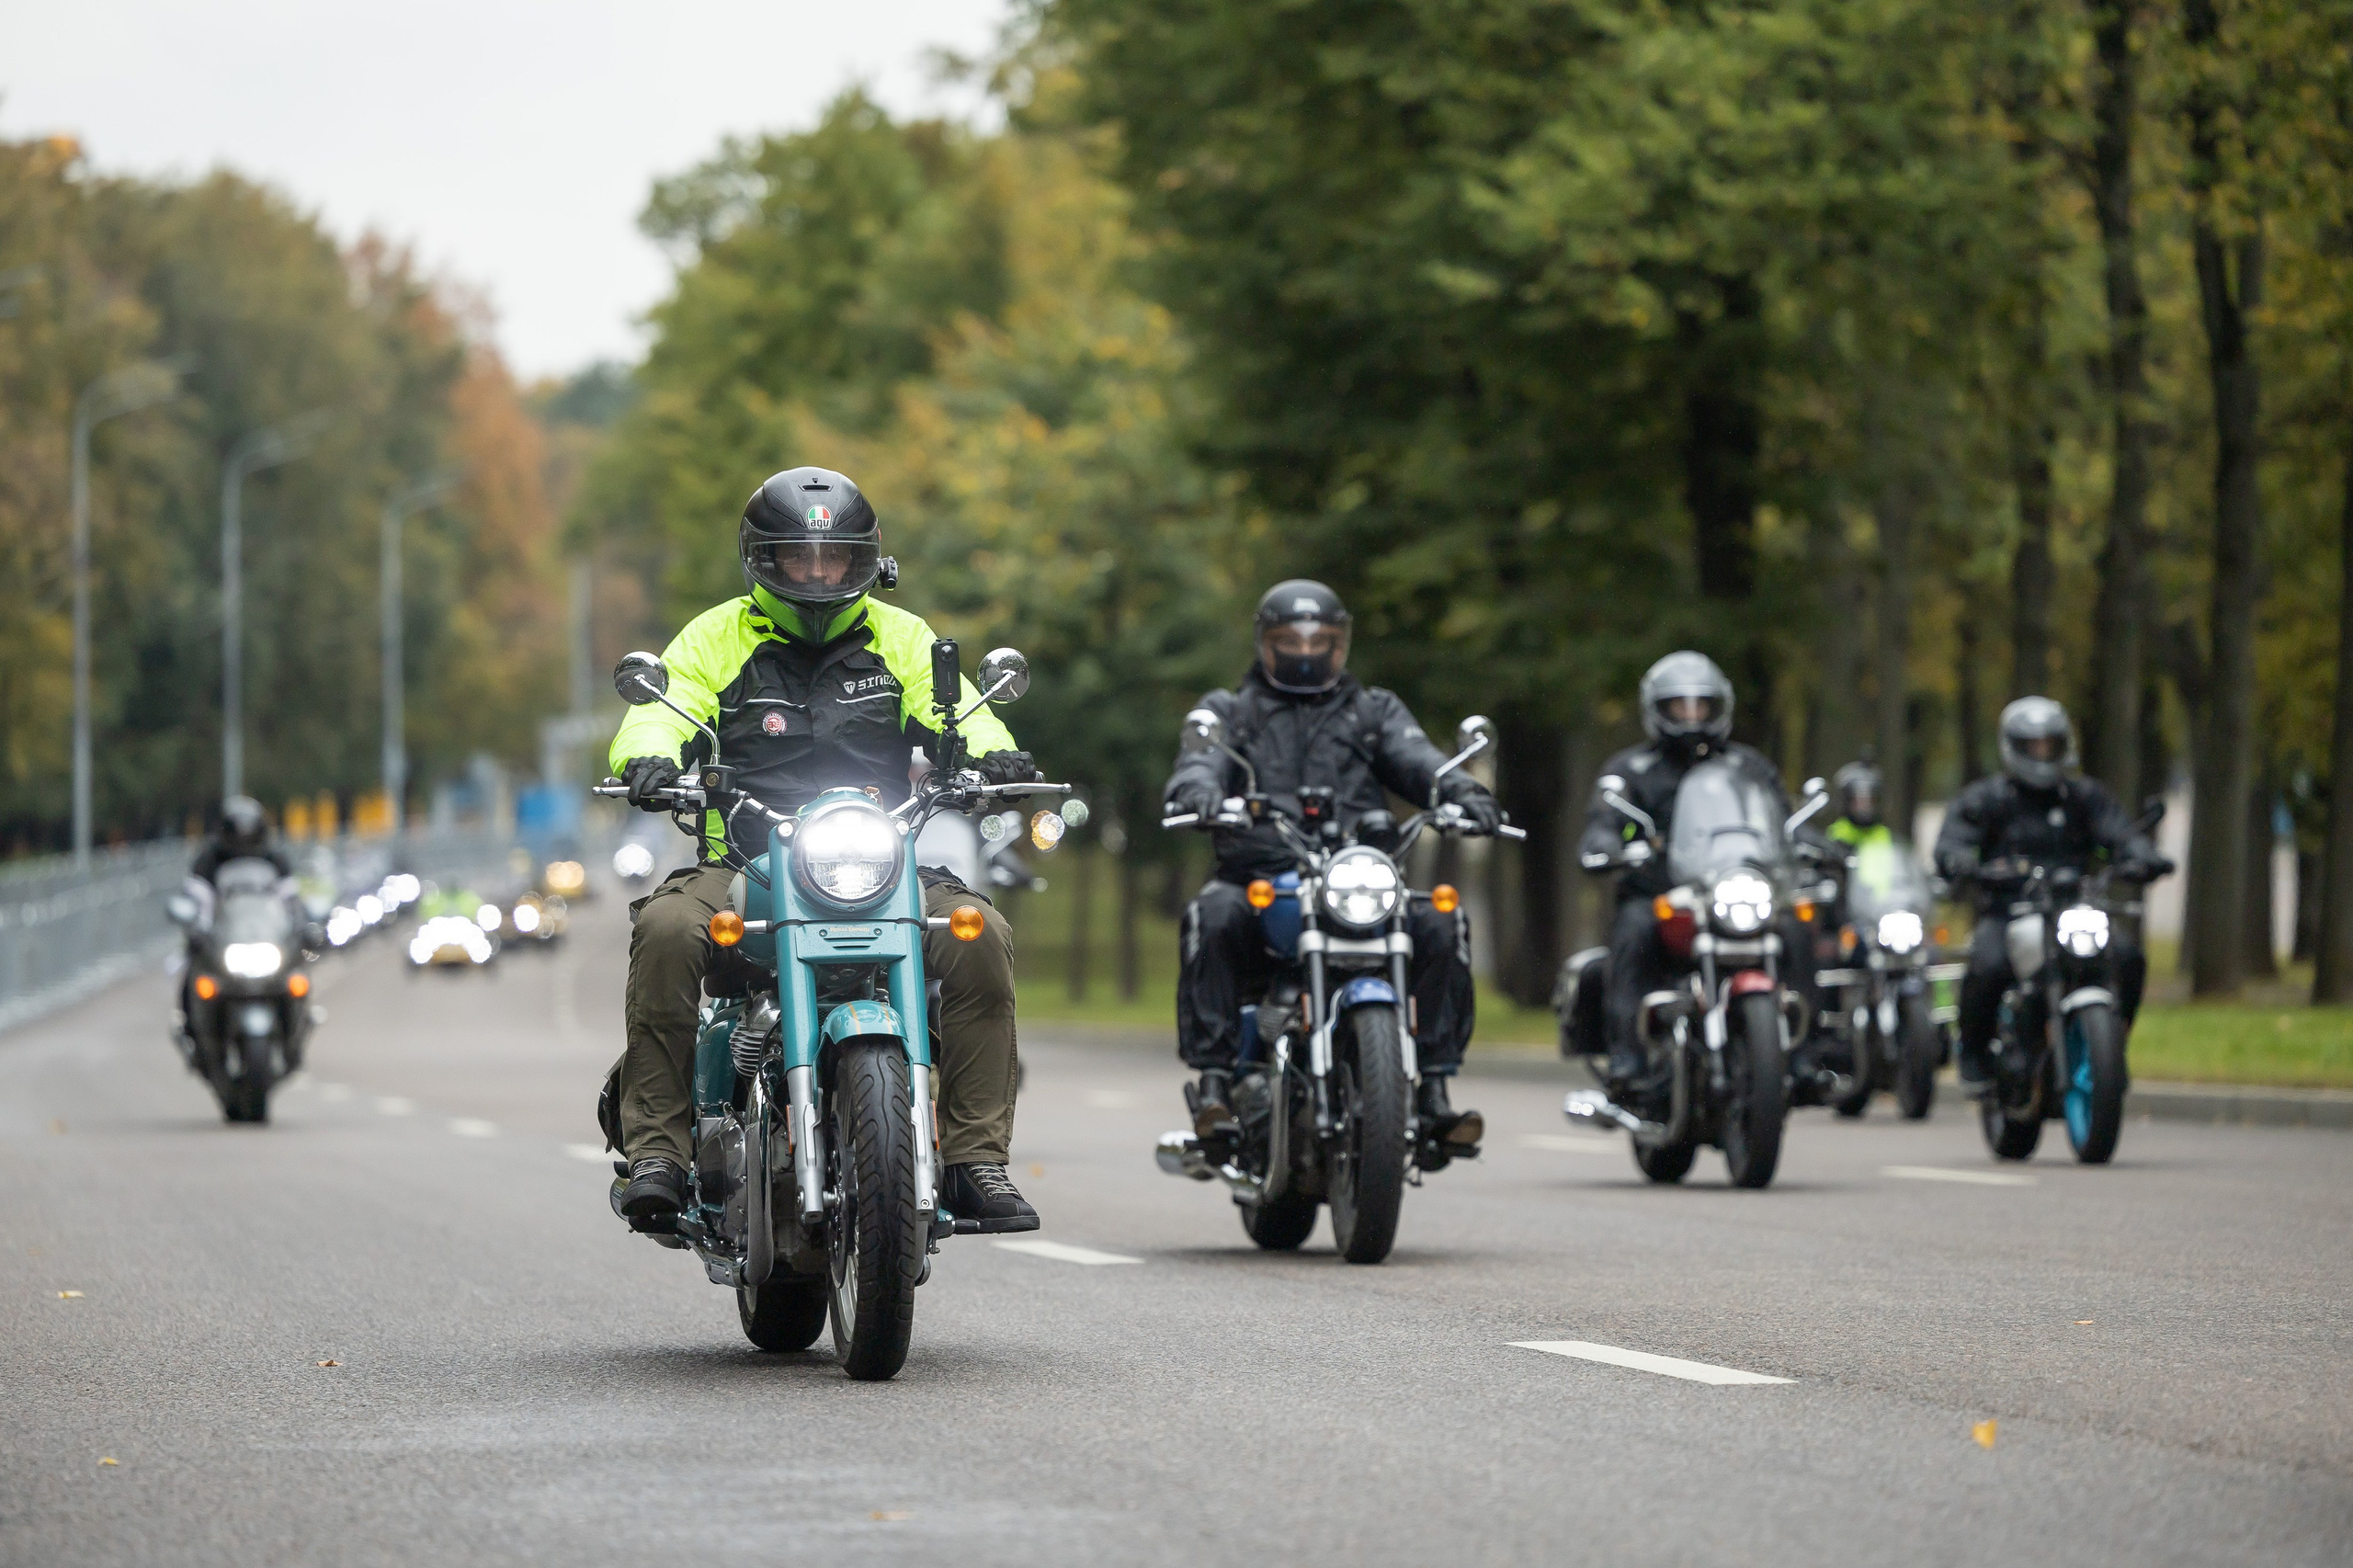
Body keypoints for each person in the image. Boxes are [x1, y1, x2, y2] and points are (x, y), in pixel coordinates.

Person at [606, 467, 1043, 1232]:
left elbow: (961, 713)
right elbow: (657, 713)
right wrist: (648, 759)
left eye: (834, 558)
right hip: (742, 862)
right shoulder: (716, 636)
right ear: (763, 560)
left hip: (877, 861)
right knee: (669, 930)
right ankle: (660, 1154)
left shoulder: (901, 638)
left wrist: (992, 754)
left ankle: (976, 1159)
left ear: (863, 560)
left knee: (982, 937)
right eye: (798, 558)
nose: (816, 572)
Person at [1163, 579, 1503, 1148]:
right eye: (1288, 640)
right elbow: (1198, 762)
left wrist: (1464, 793)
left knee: (1442, 920)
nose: (1304, 652)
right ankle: (1217, 1082)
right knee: (1213, 913)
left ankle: (1434, 1088)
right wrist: (1197, 792)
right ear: (1264, 643)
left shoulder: (1373, 711)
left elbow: (1419, 760)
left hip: (1358, 875)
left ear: (1339, 643)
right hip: (1263, 874)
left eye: (1319, 640)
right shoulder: (1230, 712)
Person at [1575, 651, 1810, 1094]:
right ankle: (1628, 1056)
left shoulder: (1749, 767)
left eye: (1700, 705)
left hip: (1734, 890)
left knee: (1796, 930)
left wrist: (1812, 841)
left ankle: (1802, 1054)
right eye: (1678, 706)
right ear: (1657, 710)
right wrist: (1606, 845)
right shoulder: (1631, 770)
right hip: (1662, 891)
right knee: (1634, 930)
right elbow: (1604, 820)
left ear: (1719, 707)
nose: (1690, 715)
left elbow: (1783, 817)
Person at [1933, 696, 2170, 1096]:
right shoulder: (1989, 798)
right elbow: (1953, 842)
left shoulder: (2084, 797)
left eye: (2050, 744)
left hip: (2074, 908)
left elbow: (2120, 834)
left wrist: (2142, 857)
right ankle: (1973, 1054)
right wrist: (1962, 863)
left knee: (2127, 956)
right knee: (1987, 963)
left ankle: (2111, 1048)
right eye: (2033, 746)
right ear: (2013, 747)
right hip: (2009, 910)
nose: (2042, 754)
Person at [190, 795, 289, 883]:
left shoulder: (273, 859)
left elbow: (288, 891)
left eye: (250, 834)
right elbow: (197, 891)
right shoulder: (210, 859)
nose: (243, 841)